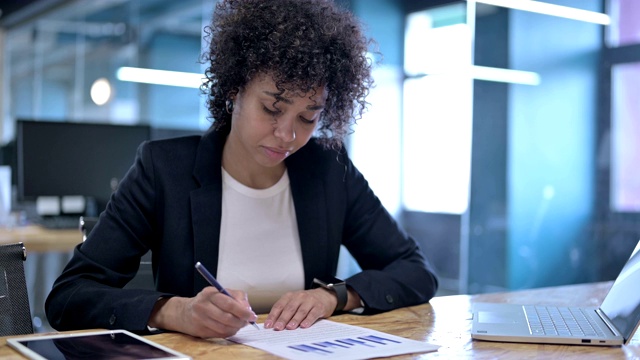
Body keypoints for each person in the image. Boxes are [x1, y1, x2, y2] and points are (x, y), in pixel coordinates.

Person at [45, 0, 438, 339]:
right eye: (272, 108)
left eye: (308, 116)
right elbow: (70, 296)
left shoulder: (328, 171)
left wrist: (333, 296)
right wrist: (174, 311)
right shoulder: (164, 170)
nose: (287, 134)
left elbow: (415, 271)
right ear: (234, 89)